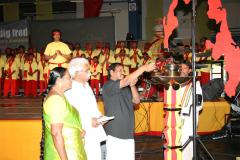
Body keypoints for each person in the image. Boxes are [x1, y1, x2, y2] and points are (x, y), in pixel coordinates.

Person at [102, 62, 156, 160]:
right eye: (120, 71)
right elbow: (126, 80)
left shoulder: (126, 88)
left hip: (128, 133)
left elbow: (136, 100)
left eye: (123, 71)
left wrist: (132, 86)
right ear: (111, 72)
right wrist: (143, 68)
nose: (122, 73)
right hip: (115, 133)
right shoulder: (108, 86)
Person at [65, 58, 106, 160]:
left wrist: (99, 116)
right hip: (82, 132)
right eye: (87, 71)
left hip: (94, 131)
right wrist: (89, 121)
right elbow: (71, 113)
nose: (90, 73)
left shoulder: (87, 85)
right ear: (77, 73)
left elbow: (92, 106)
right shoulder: (70, 89)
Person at [43, 67, 86, 160]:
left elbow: (66, 123)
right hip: (63, 155)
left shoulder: (59, 96)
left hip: (71, 150)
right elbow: (56, 133)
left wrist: (77, 132)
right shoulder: (55, 99)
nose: (71, 80)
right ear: (59, 80)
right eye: (68, 77)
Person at [179, 61, 203, 160]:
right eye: (180, 67)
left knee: (187, 145)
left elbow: (199, 104)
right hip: (176, 118)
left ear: (190, 70)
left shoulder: (195, 84)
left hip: (189, 119)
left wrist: (186, 111)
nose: (182, 70)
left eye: (185, 68)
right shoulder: (174, 83)